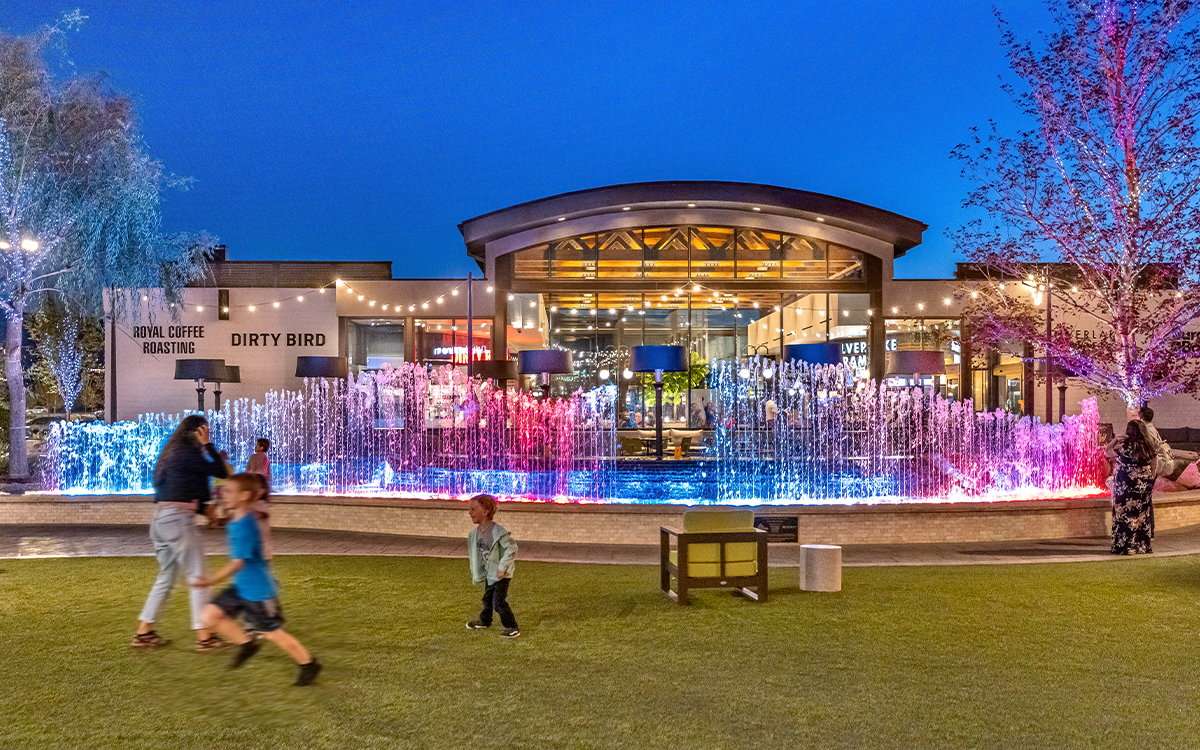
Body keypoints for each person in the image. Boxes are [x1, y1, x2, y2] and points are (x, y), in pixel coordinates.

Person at [192, 473, 322, 686]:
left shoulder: (245, 525)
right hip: (241, 587)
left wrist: (210, 580)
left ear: (244, 496)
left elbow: (238, 563)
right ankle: (247, 643)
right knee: (209, 615)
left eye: (229, 491)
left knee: (273, 634)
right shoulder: (239, 516)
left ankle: (308, 664)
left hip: (259, 592)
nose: (223, 494)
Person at [132, 414, 229, 651]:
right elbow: (221, 471)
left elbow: (191, 489)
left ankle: (144, 633)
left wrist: (210, 514)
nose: (208, 435)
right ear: (197, 432)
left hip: (161, 521)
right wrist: (208, 445)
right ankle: (205, 637)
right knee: (199, 576)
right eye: (205, 431)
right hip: (177, 521)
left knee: (166, 577)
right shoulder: (188, 454)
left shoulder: (172, 455)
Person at [464, 494, 520, 638]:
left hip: (502, 575)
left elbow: (511, 548)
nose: (470, 512)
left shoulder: (497, 531)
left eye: (473, 509)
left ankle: (511, 627)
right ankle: (485, 620)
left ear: (485, 512)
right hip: (490, 573)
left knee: (498, 602)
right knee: (487, 599)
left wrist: (502, 567)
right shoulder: (475, 534)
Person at [1104, 420, 1158, 555]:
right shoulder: (1148, 447)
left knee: (1123, 516)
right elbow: (1153, 466)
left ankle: (1125, 546)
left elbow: (1107, 451)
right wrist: (1149, 480)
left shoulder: (1124, 447)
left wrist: (1116, 439)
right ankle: (1141, 545)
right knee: (1141, 516)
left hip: (1125, 488)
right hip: (1142, 488)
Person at [1139, 405, 1186, 479]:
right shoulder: (1153, 429)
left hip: (1154, 463)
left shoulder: (1146, 431)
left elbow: (1149, 449)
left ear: (1141, 418)